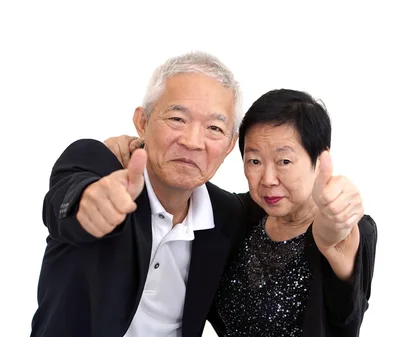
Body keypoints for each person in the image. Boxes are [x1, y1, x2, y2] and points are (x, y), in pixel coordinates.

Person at [108, 89, 378, 337]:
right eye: (255, 161)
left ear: (319, 160)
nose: (268, 178)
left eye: (284, 161)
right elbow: (184, 182)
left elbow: (332, 233)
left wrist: (337, 214)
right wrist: (136, 148)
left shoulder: (351, 231)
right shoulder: (241, 215)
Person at [31, 51, 248, 337]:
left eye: (214, 128)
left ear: (231, 145)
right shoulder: (100, 165)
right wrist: (87, 203)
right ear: (142, 122)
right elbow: (66, 198)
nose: (193, 141)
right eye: (177, 118)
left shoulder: (228, 215)